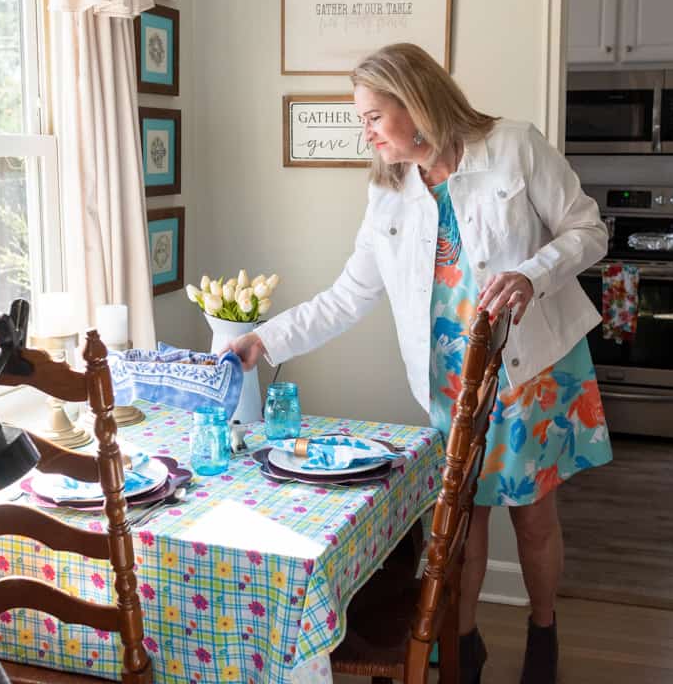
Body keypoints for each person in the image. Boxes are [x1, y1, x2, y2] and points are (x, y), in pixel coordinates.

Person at [228, 42, 612, 684]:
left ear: (418, 105)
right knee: (460, 524)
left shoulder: (514, 147)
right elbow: (348, 295)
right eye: (362, 118)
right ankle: (462, 648)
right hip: (450, 382)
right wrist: (264, 340)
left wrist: (532, 272)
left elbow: (588, 230)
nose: (366, 131)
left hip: (530, 369)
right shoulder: (388, 193)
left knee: (533, 517)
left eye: (374, 116)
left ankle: (542, 631)